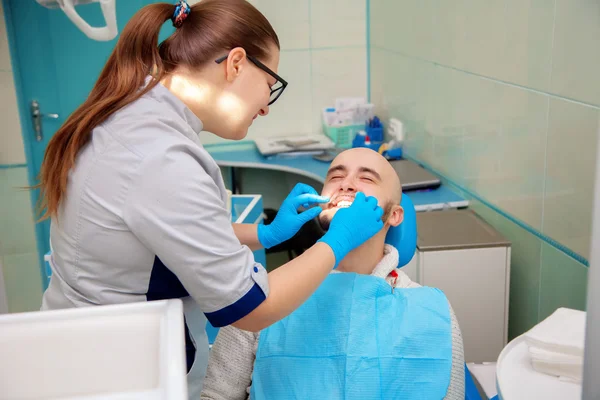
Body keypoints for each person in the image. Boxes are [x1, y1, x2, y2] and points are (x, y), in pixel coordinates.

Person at [37, 1, 385, 398]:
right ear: (236, 63)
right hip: (114, 374)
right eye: (270, 86)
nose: (266, 107)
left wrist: (266, 235)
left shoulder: (135, 116)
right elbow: (252, 309)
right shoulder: (160, 157)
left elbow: (168, 237)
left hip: (90, 354)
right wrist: (335, 242)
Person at [200, 148, 466, 400]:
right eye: (336, 176)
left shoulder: (430, 311)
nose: (346, 184)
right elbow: (216, 394)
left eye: (366, 178)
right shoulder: (265, 295)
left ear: (394, 215)